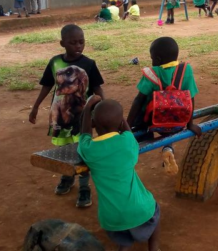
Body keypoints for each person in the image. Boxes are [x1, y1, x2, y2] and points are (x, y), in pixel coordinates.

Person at [29, 24, 105, 208]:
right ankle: (67, 177)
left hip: (82, 117)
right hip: (60, 117)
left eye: (81, 42)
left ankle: (84, 187)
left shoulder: (89, 64)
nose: (78, 46)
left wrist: (104, 107)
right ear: (62, 43)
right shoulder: (55, 62)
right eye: (73, 43)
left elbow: (97, 87)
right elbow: (47, 85)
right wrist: (36, 106)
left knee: (82, 151)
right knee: (65, 150)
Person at [77, 97, 161, 251]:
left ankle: (124, 247)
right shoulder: (128, 143)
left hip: (111, 218)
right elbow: (127, 131)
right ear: (121, 123)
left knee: (122, 232)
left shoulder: (89, 150)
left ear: (94, 123)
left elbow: (85, 135)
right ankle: (154, 246)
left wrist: (88, 107)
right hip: (140, 211)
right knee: (154, 207)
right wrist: (121, 118)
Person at [126, 37, 201, 176]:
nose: (152, 61)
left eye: (152, 58)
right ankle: (168, 147)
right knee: (170, 119)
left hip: (152, 121)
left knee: (143, 117)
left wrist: (128, 125)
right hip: (178, 121)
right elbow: (191, 99)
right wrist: (190, 124)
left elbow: (138, 100)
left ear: (158, 59)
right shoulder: (186, 70)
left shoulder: (153, 73)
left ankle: (141, 141)